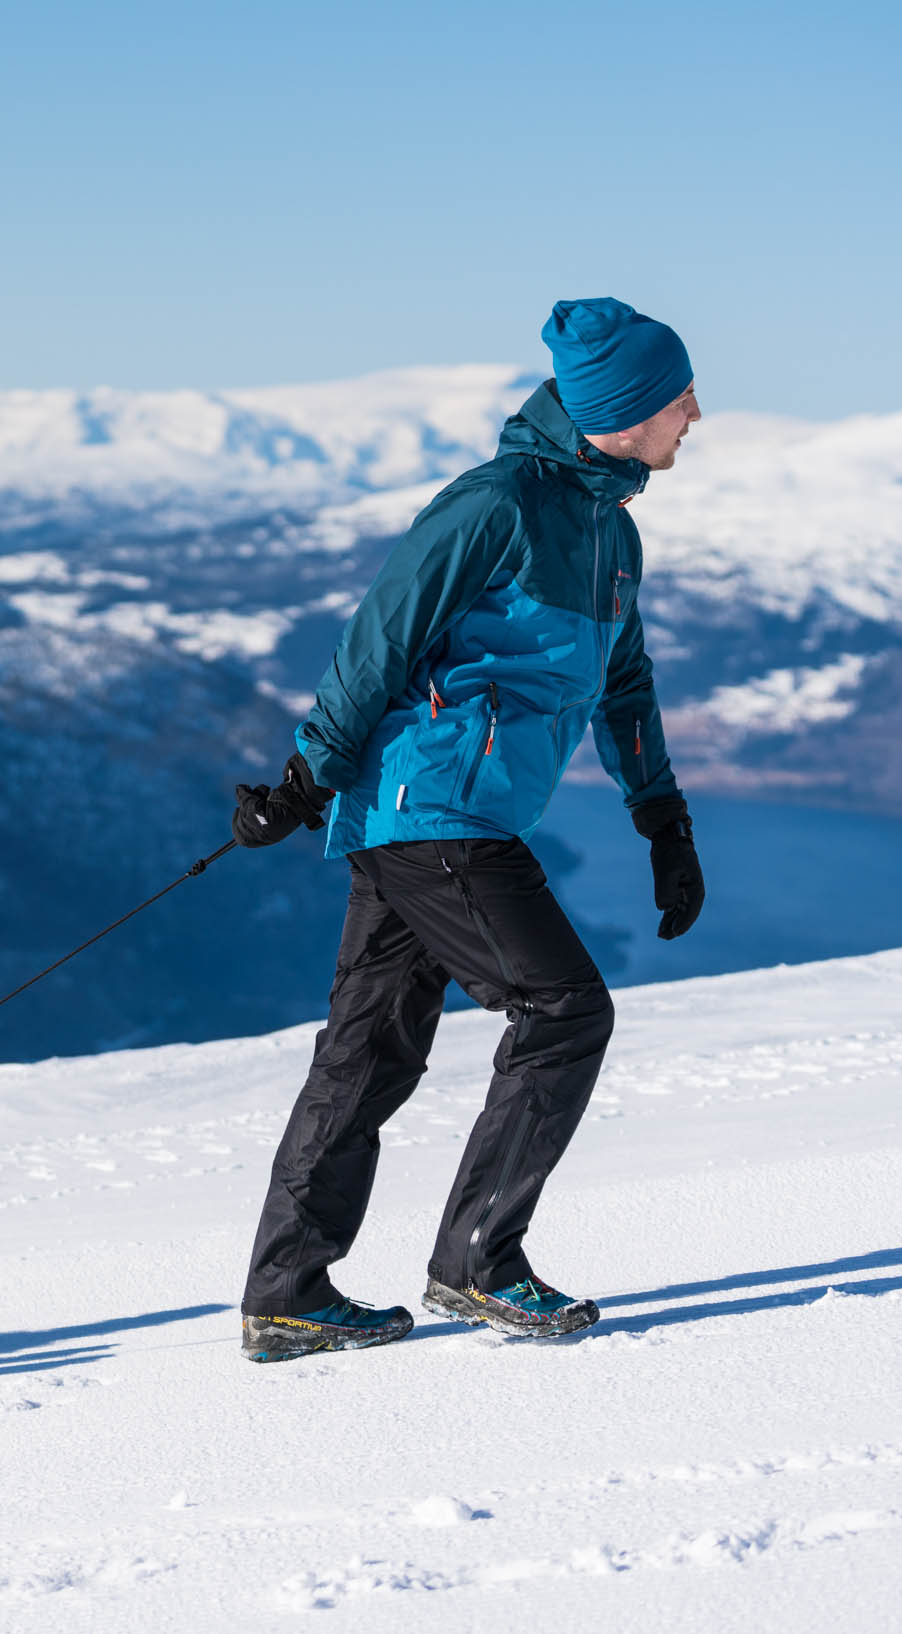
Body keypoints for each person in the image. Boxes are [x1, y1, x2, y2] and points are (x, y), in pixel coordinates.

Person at [230, 298, 707, 1359]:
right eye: (679, 398)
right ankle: (477, 1261)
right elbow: (382, 634)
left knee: (365, 1057)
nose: (695, 414)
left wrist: (660, 816)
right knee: (565, 1011)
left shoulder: (609, 529)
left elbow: (620, 678)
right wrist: (307, 774)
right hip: (430, 808)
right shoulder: (495, 506)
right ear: (623, 411)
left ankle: (288, 1295)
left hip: (450, 811)